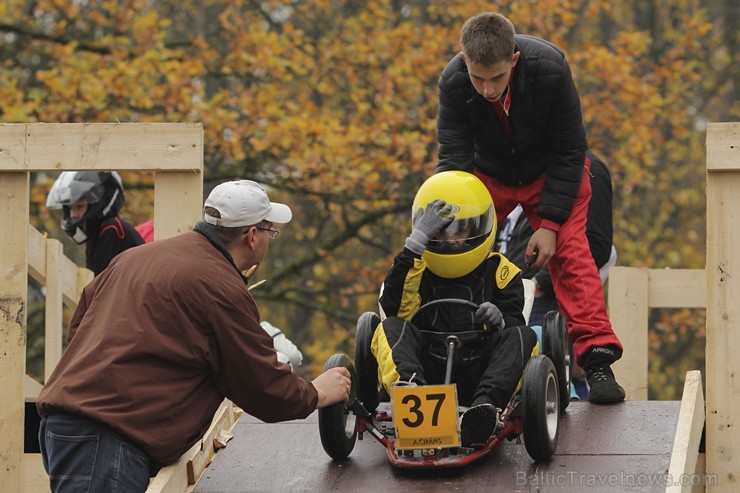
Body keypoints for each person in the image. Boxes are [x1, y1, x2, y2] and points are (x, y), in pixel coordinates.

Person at [36, 179, 351, 492]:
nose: (270, 239)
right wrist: (317, 392)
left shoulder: (134, 258)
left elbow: (79, 330)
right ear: (253, 236)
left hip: (68, 429)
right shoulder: (219, 285)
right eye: (270, 231)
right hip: (106, 441)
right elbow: (262, 384)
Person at [436, 12, 625, 404]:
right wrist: (451, 220)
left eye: (497, 78)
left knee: (572, 254)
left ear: (514, 61)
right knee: (456, 245)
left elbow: (571, 149)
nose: (487, 90)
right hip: (489, 175)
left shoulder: (550, 68)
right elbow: (453, 158)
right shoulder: (453, 82)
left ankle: (597, 361)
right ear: (464, 61)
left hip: (549, 172)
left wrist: (552, 224)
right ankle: (452, 346)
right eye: (478, 78)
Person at [374, 171, 538, 448]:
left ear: (476, 228)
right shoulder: (415, 268)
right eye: (440, 231)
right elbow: (395, 308)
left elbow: (513, 325)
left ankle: (483, 412)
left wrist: (499, 321)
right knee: (388, 327)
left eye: (459, 230)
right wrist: (415, 245)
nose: (450, 239)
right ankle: (411, 397)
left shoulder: (501, 270)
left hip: (480, 372)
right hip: (426, 371)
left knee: (524, 335)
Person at [495, 152, 617, 400]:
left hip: (544, 299)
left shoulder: (587, 169)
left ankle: (577, 411)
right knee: (516, 379)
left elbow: (598, 244)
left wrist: (540, 282)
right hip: (513, 296)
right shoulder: (516, 173)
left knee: (546, 378)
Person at [46, 171, 144, 275]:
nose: (73, 215)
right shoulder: (96, 232)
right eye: (70, 208)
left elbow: (97, 281)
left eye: (79, 206)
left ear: (99, 204)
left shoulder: (111, 229)